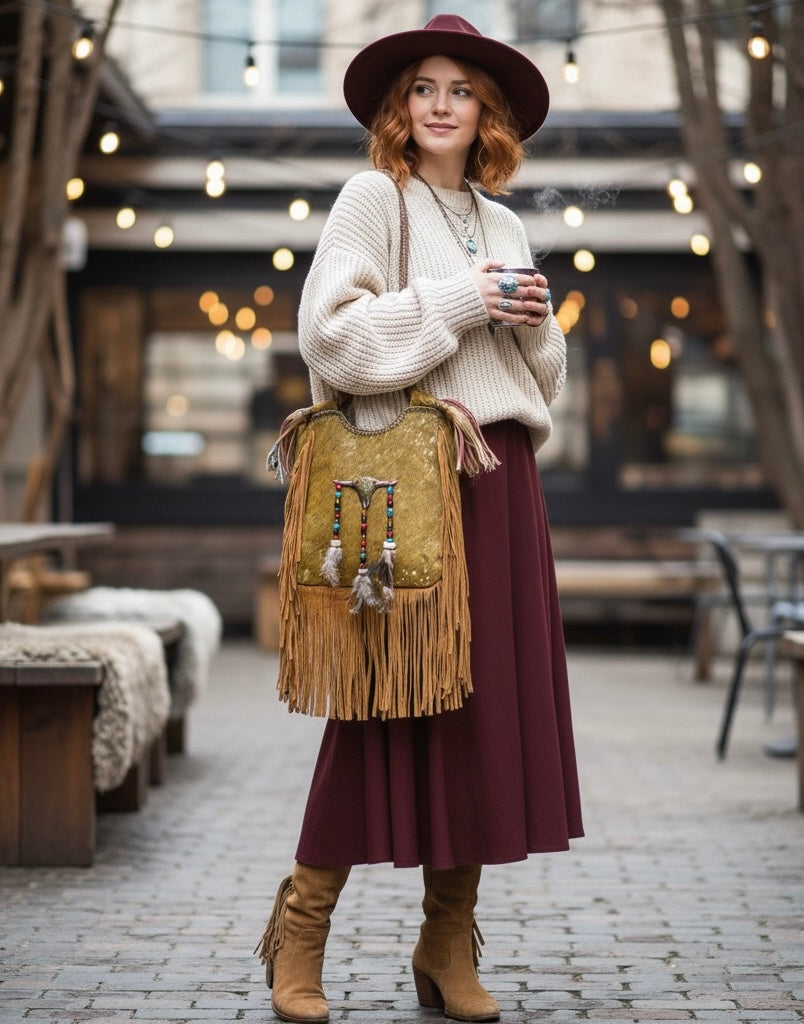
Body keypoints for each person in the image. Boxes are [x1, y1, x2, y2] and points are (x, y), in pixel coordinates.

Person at [255, 14, 583, 1024]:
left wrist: (534, 325)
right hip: (404, 486)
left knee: (485, 718)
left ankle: (448, 942)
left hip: (501, 477)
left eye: (462, 90)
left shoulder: (507, 221)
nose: (442, 104)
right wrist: (460, 301)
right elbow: (332, 339)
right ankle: (299, 929)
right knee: (379, 705)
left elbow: (543, 382)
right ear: (400, 107)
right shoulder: (373, 200)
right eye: (425, 88)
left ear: (485, 112)